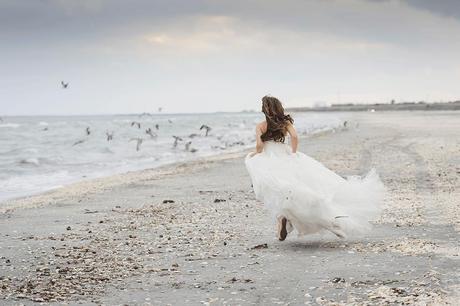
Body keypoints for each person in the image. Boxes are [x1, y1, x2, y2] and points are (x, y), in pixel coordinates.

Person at [244, 95, 385, 241]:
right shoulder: (285, 122)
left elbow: (260, 148)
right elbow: (295, 137)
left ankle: (284, 217)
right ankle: (306, 218)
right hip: (284, 153)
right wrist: (293, 153)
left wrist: (255, 153)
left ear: (263, 110)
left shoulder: (261, 126)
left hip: (270, 157)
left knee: (280, 187)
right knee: (304, 185)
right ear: (279, 108)